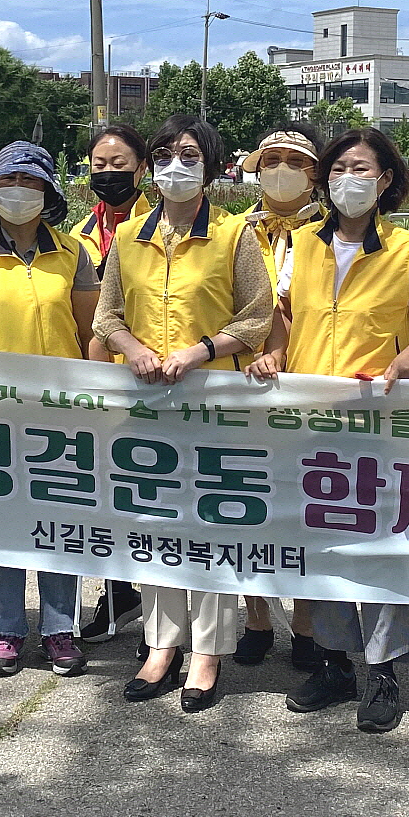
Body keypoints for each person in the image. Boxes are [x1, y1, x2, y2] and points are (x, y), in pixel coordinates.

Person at [250, 127, 409, 733]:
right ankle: (336, 662)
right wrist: (276, 352)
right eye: (338, 169)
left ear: (385, 180)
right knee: (326, 542)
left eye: (361, 169)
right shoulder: (302, 245)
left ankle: (384, 669)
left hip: (377, 420)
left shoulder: (405, 249)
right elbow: (281, 312)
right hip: (309, 418)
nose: (347, 180)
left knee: (378, 545)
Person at [95, 116, 274, 711]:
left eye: (190, 155)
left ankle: (207, 652)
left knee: (209, 528)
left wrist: (200, 352)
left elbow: (257, 316)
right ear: (150, 165)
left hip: (213, 402)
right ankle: (160, 646)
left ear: (211, 167)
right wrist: (136, 350)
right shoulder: (127, 239)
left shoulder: (232, 234)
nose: (177, 164)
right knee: (154, 525)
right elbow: (107, 317)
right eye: (166, 154)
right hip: (146, 403)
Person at [0, 141, 100, 679]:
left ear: (48, 192)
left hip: (62, 416)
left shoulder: (74, 254)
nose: (19, 192)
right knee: (4, 524)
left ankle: (59, 630)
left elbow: (91, 333)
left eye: (31, 183)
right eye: (10, 182)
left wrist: (93, 396)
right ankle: (6, 628)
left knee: (58, 523)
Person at [231, 124, 327, 668]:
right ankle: (257, 616)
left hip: (308, 378)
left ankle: (309, 623)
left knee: (306, 504)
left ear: (314, 173)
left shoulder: (331, 229)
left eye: (295, 161)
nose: (282, 170)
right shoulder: (237, 231)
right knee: (247, 502)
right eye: (272, 160)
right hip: (242, 379)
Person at [69, 122, 150, 642]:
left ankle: (162, 598)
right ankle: (119, 594)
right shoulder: (78, 234)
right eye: (100, 164)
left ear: (142, 167)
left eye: (120, 164)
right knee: (108, 494)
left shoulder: (160, 223)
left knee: (154, 490)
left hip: (154, 373)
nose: (108, 173)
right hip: (98, 381)